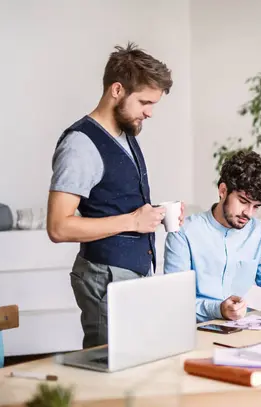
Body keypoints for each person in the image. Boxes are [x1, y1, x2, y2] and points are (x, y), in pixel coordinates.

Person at [46, 42, 183, 348]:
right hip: (104, 277)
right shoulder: (80, 145)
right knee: (109, 377)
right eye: (145, 102)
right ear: (117, 90)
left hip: (131, 276)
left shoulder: (125, 132)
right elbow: (58, 227)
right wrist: (134, 222)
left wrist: (156, 214)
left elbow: (115, 201)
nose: (150, 112)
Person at [164, 150, 261, 322]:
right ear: (223, 191)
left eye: (256, 206)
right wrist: (218, 310)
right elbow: (176, 300)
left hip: (243, 328)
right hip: (195, 330)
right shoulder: (184, 234)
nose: (248, 213)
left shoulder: (259, 232)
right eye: (243, 201)